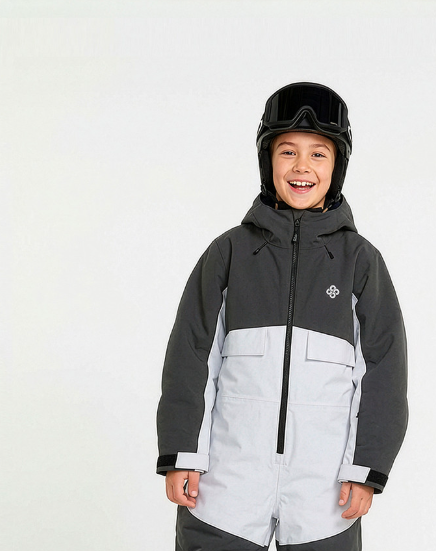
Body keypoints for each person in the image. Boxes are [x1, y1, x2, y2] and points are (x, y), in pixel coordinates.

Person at [157, 82, 408, 551]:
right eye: (287, 151)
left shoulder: (360, 262)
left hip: (324, 491)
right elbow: (190, 357)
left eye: (318, 154)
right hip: (226, 483)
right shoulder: (228, 253)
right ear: (267, 160)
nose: (301, 167)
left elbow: (384, 371)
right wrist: (181, 453)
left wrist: (367, 467)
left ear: (337, 166)